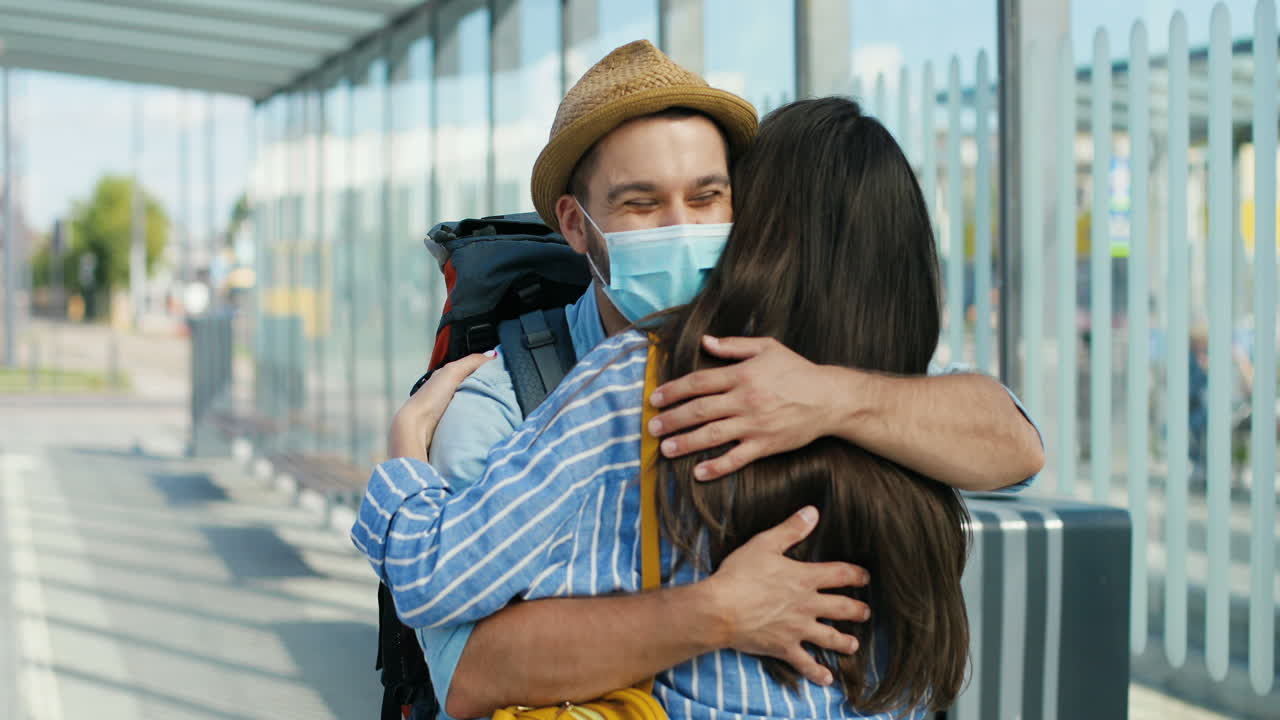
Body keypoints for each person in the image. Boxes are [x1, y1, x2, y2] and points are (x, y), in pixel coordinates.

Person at [381, 40, 1043, 719]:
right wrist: (716, 612)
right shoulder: (506, 398)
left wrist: (832, 398)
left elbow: (1014, 445)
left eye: (708, 198)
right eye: (642, 204)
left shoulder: (804, 366)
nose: (683, 228)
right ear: (577, 224)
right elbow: (465, 674)